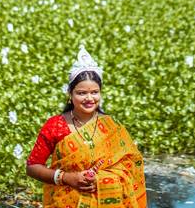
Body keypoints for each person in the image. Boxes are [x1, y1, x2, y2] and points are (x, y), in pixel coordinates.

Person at [26, 45, 147, 208]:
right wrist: (66, 178)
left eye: (95, 92)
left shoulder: (112, 126)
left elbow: (131, 164)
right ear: (70, 94)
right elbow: (32, 167)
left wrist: (102, 180)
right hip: (64, 202)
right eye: (81, 93)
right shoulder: (56, 125)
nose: (89, 98)